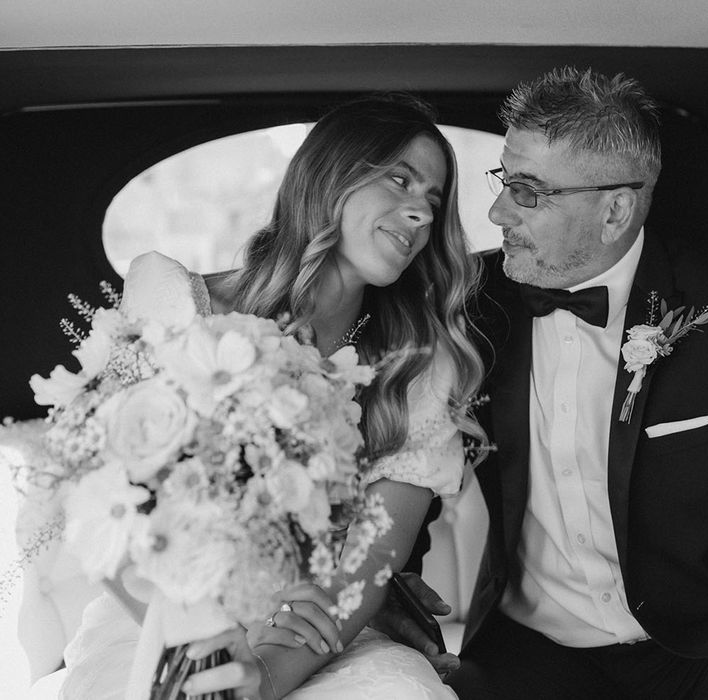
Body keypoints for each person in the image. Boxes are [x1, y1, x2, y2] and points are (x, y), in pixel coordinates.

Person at [284, 66, 708, 698]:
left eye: (528, 191)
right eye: (503, 181)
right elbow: (404, 447)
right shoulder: (468, 311)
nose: (497, 210)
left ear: (615, 210)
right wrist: (390, 583)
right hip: (532, 656)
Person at [58, 93, 487, 699]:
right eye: (400, 180)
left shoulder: (416, 367)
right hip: (163, 614)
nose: (420, 213)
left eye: (434, 200)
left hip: (317, 631)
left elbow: (365, 572)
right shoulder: (178, 309)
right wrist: (202, 645)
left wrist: (262, 676)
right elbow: (106, 512)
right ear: (330, 177)